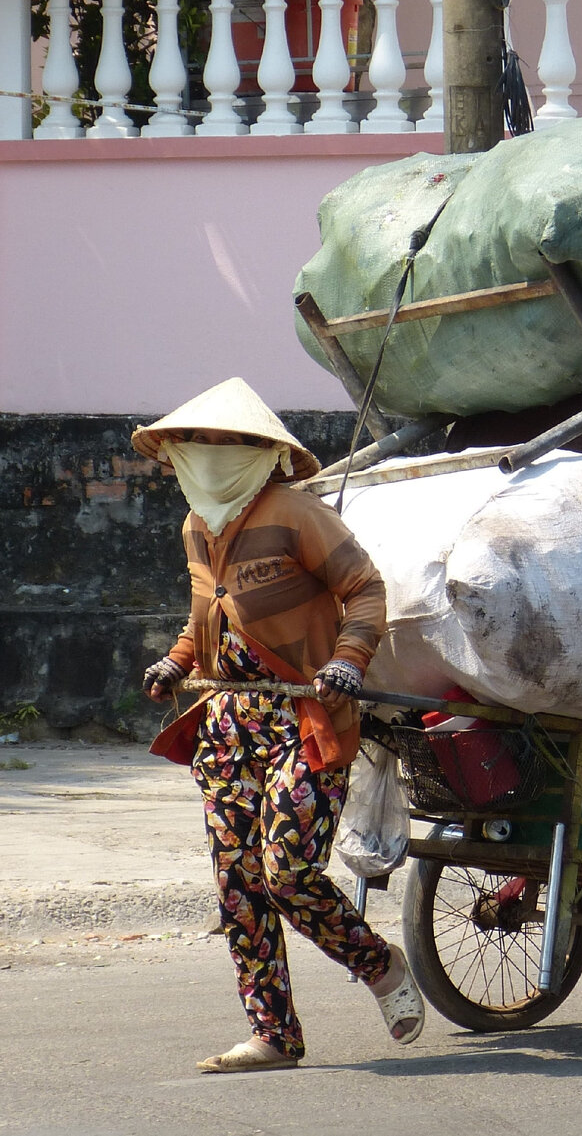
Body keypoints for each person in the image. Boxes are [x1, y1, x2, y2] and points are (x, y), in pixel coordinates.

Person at [133, 376, 424, 1074]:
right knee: (238, 885)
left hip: (305, 718)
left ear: (259, 451)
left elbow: (365, 588)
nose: (206, 452)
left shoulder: (297, 514)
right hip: (226, 726)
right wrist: (177, 661)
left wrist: (349, 659)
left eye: (222, 441)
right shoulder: (197, 524)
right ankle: (273, 1033)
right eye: (194, 442)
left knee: (287, 872)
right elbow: (209, 613)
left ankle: (379, 964)